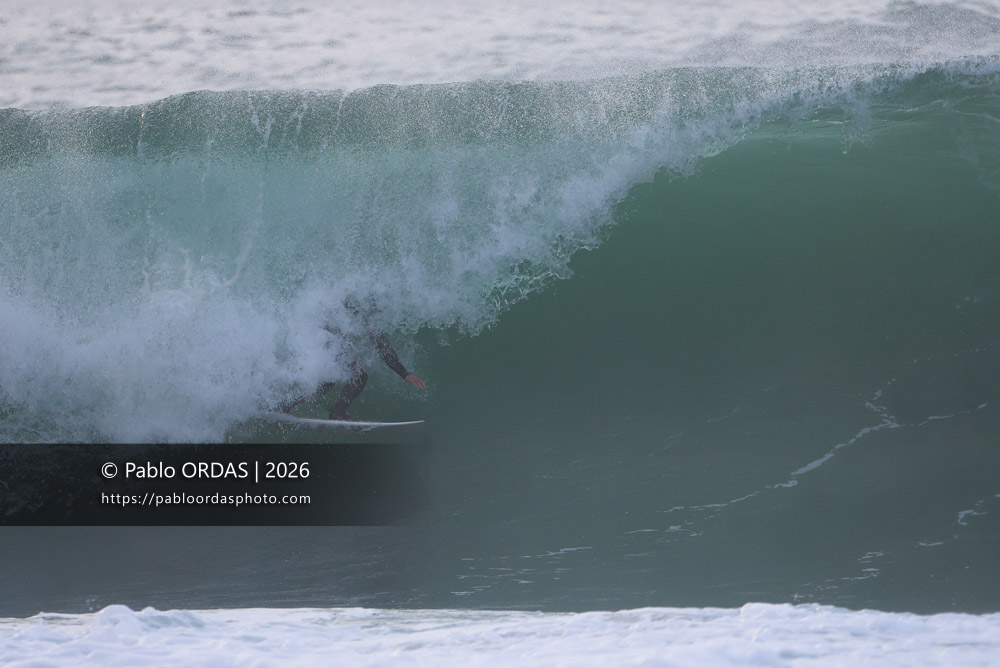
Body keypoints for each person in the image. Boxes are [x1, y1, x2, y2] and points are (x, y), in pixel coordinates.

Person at [280, 300, 427, 420]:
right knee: (358, 376)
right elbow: (382, 347)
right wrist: (405, 374)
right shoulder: (360, 310)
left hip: (313, 335)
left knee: (328, 381)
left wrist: (405, 374)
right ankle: (337, 413)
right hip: (321, 337)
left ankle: (285, 405)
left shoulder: (357, 310)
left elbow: (382, 346)